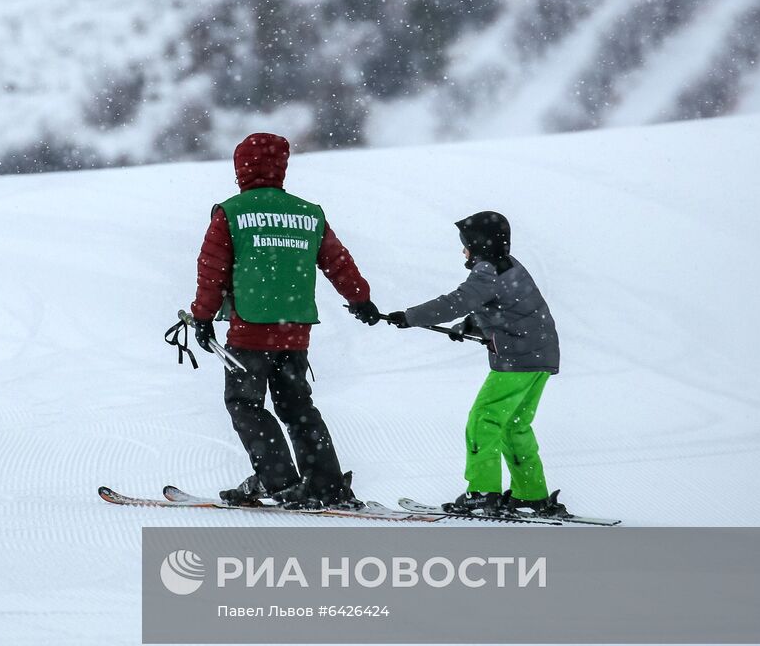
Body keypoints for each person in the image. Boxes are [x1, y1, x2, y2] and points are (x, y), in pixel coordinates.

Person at [189, 133, 382, 510]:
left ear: (240, 168)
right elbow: (338, 262)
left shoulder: (231, 213)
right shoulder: (309, 213)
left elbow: (211, 272)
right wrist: (360, 299)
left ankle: (281, 482)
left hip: (248, 333)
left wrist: (202, 317)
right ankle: (326, 485)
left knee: (245, 404)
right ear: (282, 168)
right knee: (298, 408)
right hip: (295, 332)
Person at [386, 211, 570, 518]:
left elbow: (456, 301)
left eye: (466, 244)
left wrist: (410, 316)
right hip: (541, 357)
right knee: (514, 425)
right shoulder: (510, 267)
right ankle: (531, 493)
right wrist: (471, 324)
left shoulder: (486, 272)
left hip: (517, 360)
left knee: (483, 421)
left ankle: (483, 493)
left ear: (480, 244)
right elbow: (507, 308)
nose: (463, 250)